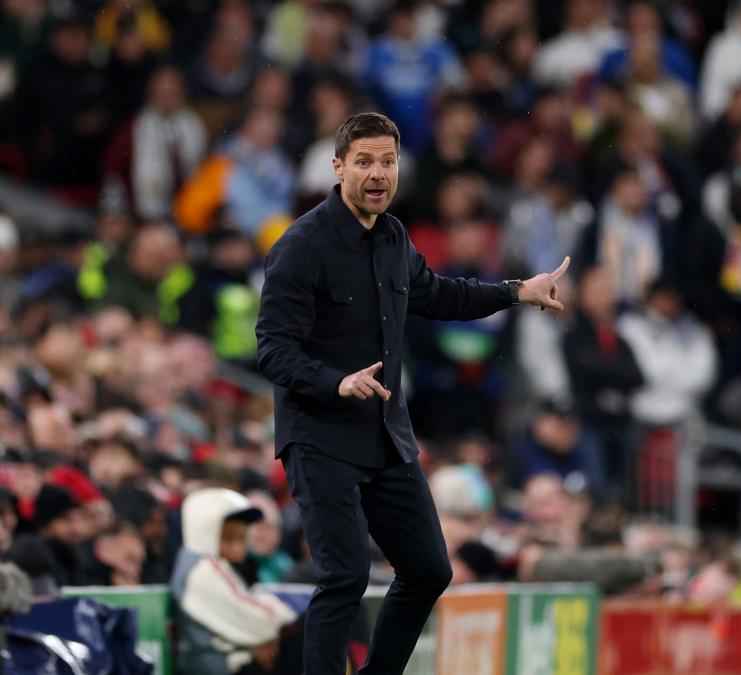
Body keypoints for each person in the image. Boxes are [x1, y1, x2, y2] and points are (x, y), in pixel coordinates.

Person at [254, 111, 567, 675]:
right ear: (338, 167)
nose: (378, 173)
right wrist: (335, 381)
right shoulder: (300, 245)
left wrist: (517, 291)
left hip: (384, 434)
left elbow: (439, 294)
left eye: (388, 161)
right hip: (319, 435)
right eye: (365, 161)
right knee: (345, 575)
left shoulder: (395, 236)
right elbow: (273, 350)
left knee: (429, 570)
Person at [171, 488, 297, 675]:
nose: (239, 547)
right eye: (228, 538)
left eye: (241, 537)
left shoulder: (206, 564)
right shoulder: (203, 569)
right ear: (206, 532)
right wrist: (282, 624)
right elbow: (262, 621)